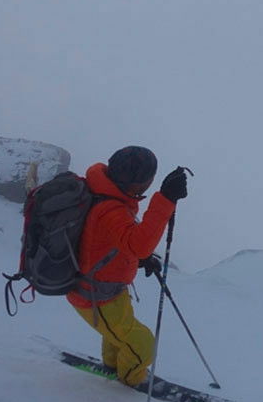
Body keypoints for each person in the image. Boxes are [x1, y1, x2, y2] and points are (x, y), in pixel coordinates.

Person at [67, 145, 189, 387]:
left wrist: (137, 258)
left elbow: (105, 240)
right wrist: (165, 200)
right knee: (142, 346)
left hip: (105, 290)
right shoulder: (110, 209)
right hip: (95, 296)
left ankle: (113, 365)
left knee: (119, 334)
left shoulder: (102, 194)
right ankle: (130, 378)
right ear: (138, 183)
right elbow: (139, 244)